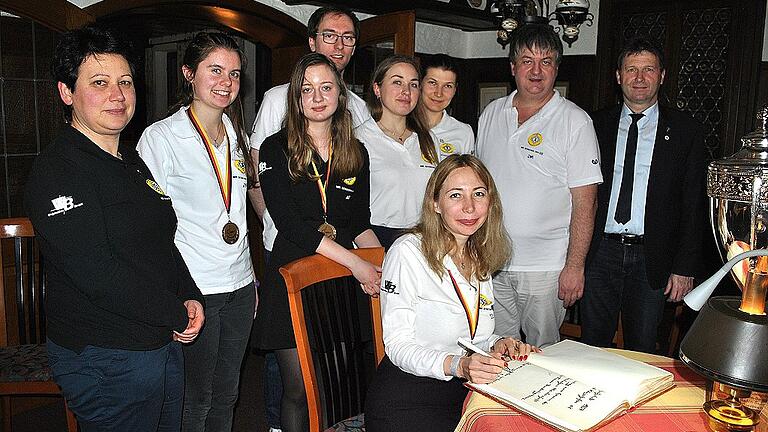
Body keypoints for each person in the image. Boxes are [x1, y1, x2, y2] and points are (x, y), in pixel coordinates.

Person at [24, 25, 205, 432]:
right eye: (100, 82)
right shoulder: (58, 170)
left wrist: (188, 293)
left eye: (125, 81)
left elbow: (161, 241)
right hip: (105, 354)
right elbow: (97, 272)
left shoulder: (129, 159)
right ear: (66, 93)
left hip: (158, 337)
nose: (118, 95)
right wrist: (175, 311)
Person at [248, 8, 368, 429]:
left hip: (336, 281)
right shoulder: (274, 147)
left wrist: (387, 264)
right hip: (291, 275)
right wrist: (358, 263)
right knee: (298, 391)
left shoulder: (355, 151)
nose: (317, 98)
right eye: (306, 90)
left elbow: (358, 222)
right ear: (295, 98)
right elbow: (293, 226)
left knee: (332, 386)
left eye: (326, 88)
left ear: (339, 93)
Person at [364, 154, 538, 431]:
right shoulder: (408, 252)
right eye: (456, 195)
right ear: (435, 203)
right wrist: (459, 366)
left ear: (490, 202)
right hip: (408, 398)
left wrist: (497, 343)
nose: (469, 207)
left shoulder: (479, 253)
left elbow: (467, 335)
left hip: (465, 394)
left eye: (478, 194)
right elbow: (397, 346)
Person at [136, 32, 256, 432]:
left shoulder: (238, 136)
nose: (226, 82)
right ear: (189, 73)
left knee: (229, 394)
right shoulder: (161, 138)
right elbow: (148, 227)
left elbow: (237, 213)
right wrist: (170, 296)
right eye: (215, 70)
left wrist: (252, 280)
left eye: (234, 74)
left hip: (239, 285)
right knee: (195, 399)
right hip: (195, 289)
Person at [475, 24, 602, 348]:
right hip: (493, 263)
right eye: (527, 60)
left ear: (556, 68)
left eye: (546, 61)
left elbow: (586, 202)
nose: (536, 70)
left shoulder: (575, 121)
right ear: (513, 67)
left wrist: (575, 267)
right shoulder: (490, 113)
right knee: (497, 350)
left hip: (546, 270)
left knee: (544, 357)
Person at [581, 37, 705, 353]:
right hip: (600, 254)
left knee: (642, 350)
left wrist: (685, 267)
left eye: (648, 69)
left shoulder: (685, 130)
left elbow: (694, 204)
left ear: (662, 75)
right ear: (618, 76)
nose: (639, 78)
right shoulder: (593, 125)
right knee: (592, 346)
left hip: (653, 258)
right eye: (631, 69)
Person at [356, 55, 473, 249]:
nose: (406, 91)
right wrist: (375, 256)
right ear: (377, 89)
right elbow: (349, 212)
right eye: (397, 82)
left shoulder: (429, 139)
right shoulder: (358, 139)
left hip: (424, 238)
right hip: (376, 240)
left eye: (413, 84)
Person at [418, 54, 474, 153]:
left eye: (448, 86)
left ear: (455, 90)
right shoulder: (402, 125)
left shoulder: (464, 132)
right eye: (432, 83)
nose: (439, 93)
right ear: (420, 83)